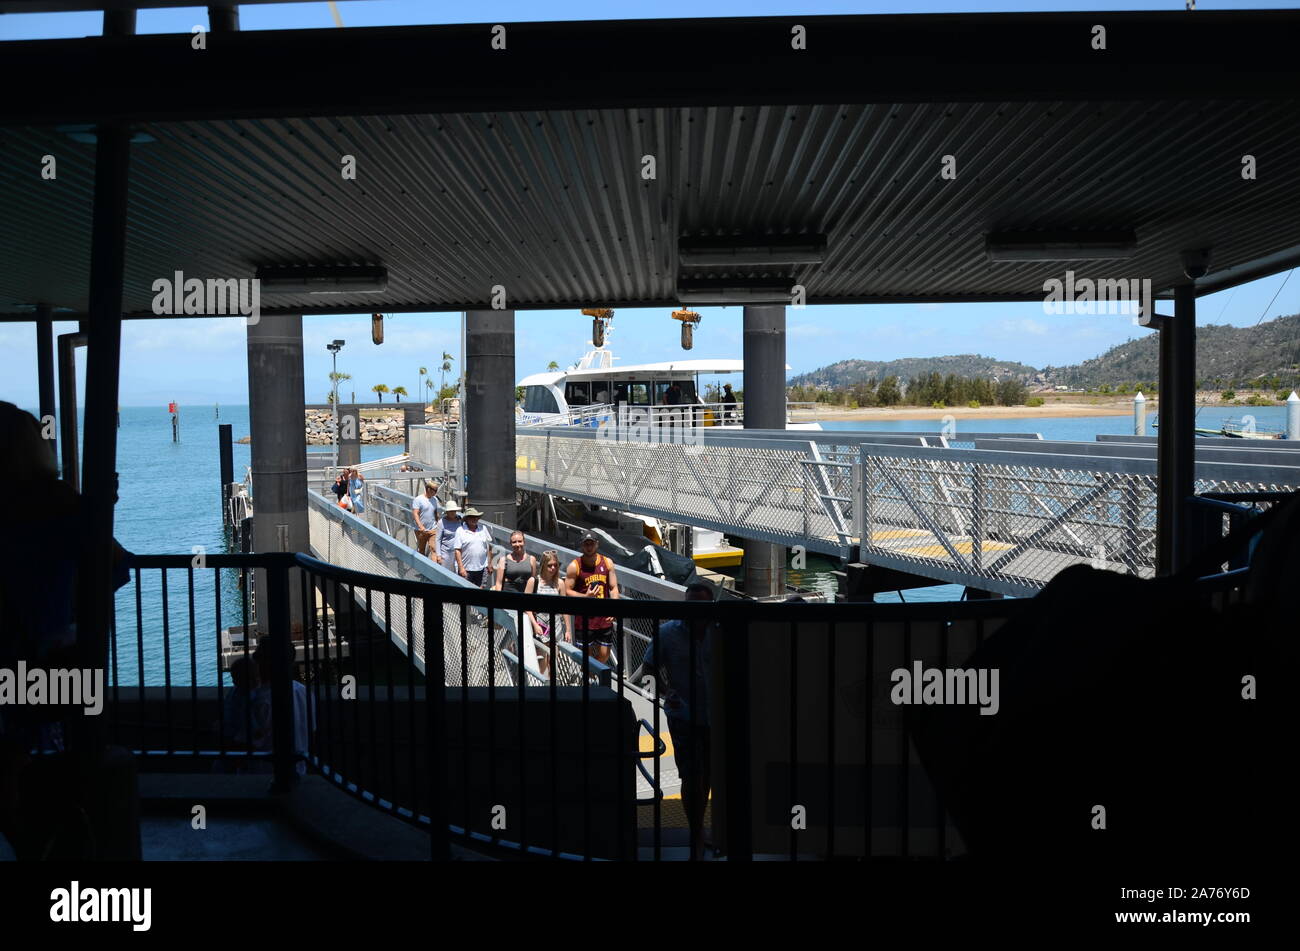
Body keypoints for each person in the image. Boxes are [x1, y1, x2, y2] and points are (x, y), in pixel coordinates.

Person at [631, 581, 718, 859]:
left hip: (718, 715)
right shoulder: (668, 633)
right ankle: (696, 834)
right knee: (692, 775)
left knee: (711, 775)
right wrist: (668, 695)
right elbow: (649, 669)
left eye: (700, 607)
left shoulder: (721, 631)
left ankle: (703, 831)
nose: (694, 612)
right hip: (684, 716)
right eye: (689, 605)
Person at [250, 644, 314, 777]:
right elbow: (311, 729)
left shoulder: (261, 699)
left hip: (263, 774)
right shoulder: (303, 691)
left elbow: (251, 740)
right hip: (299, 768)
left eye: (258, 658)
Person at [565, 532, 620, 664]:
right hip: (584, 619)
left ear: (597, 544)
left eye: (591, 543)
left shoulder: (607, 563)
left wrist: (614, 607)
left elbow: (613, 588)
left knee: (604, 654)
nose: (589, 547)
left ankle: (593, 675)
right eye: (586, 544)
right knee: (586, 658)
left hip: (603, 617)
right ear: (582, 545)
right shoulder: (575, 566)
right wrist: (585, 596)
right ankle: (590, 680)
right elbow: (567, 591)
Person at [525, 550, 570, 679]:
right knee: (541, 659)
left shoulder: (559, 583)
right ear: (543, 565)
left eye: (555, 565)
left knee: (553, 660)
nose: (553, 568)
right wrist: (534, 624)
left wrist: (568, 630)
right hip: (539, 625)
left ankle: (552, 687)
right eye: (550, 565)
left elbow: (564, 608)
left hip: (555, 626)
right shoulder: (534, 582)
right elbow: (526, 606)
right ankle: (539, 685)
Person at [453, 508, 494, 588]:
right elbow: (457, 550)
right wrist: (461, 568)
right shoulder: (460, 531)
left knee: (481, 588)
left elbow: (489, 547)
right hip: (467, 568)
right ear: (467, 519)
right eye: (471, 517)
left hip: (482, 568)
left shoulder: (483, 529)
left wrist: (489, 563)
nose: (474, 519)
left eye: (476, 517)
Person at [494, 530, 537, 595]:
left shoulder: (532, 559)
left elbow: (533, 581)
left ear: (524, 542)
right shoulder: (503, 560)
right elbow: (498, 583)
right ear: (510, 543)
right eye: (514, 542)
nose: (517, 544)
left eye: (520, 541)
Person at [412, 479, 442, 558]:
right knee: (421, 550)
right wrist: (420, 526)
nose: (436, 492)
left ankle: (434, 569)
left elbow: (435, 512)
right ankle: (423, 568)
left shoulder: (434, 499)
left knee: (434, 549)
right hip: (421, 530)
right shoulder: (418, 499)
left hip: (433, 528)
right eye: (434, 490)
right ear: (428, 489)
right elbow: (415, 513)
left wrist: (438, 522)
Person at [434, 500, 462, 567]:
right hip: (446, 553)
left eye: (454, 511)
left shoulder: (460, 520)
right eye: (451, 511)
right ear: (447, 512)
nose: (453, 513)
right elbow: (438, 539)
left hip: (458, 551)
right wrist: (438, 555)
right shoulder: (441, 522)